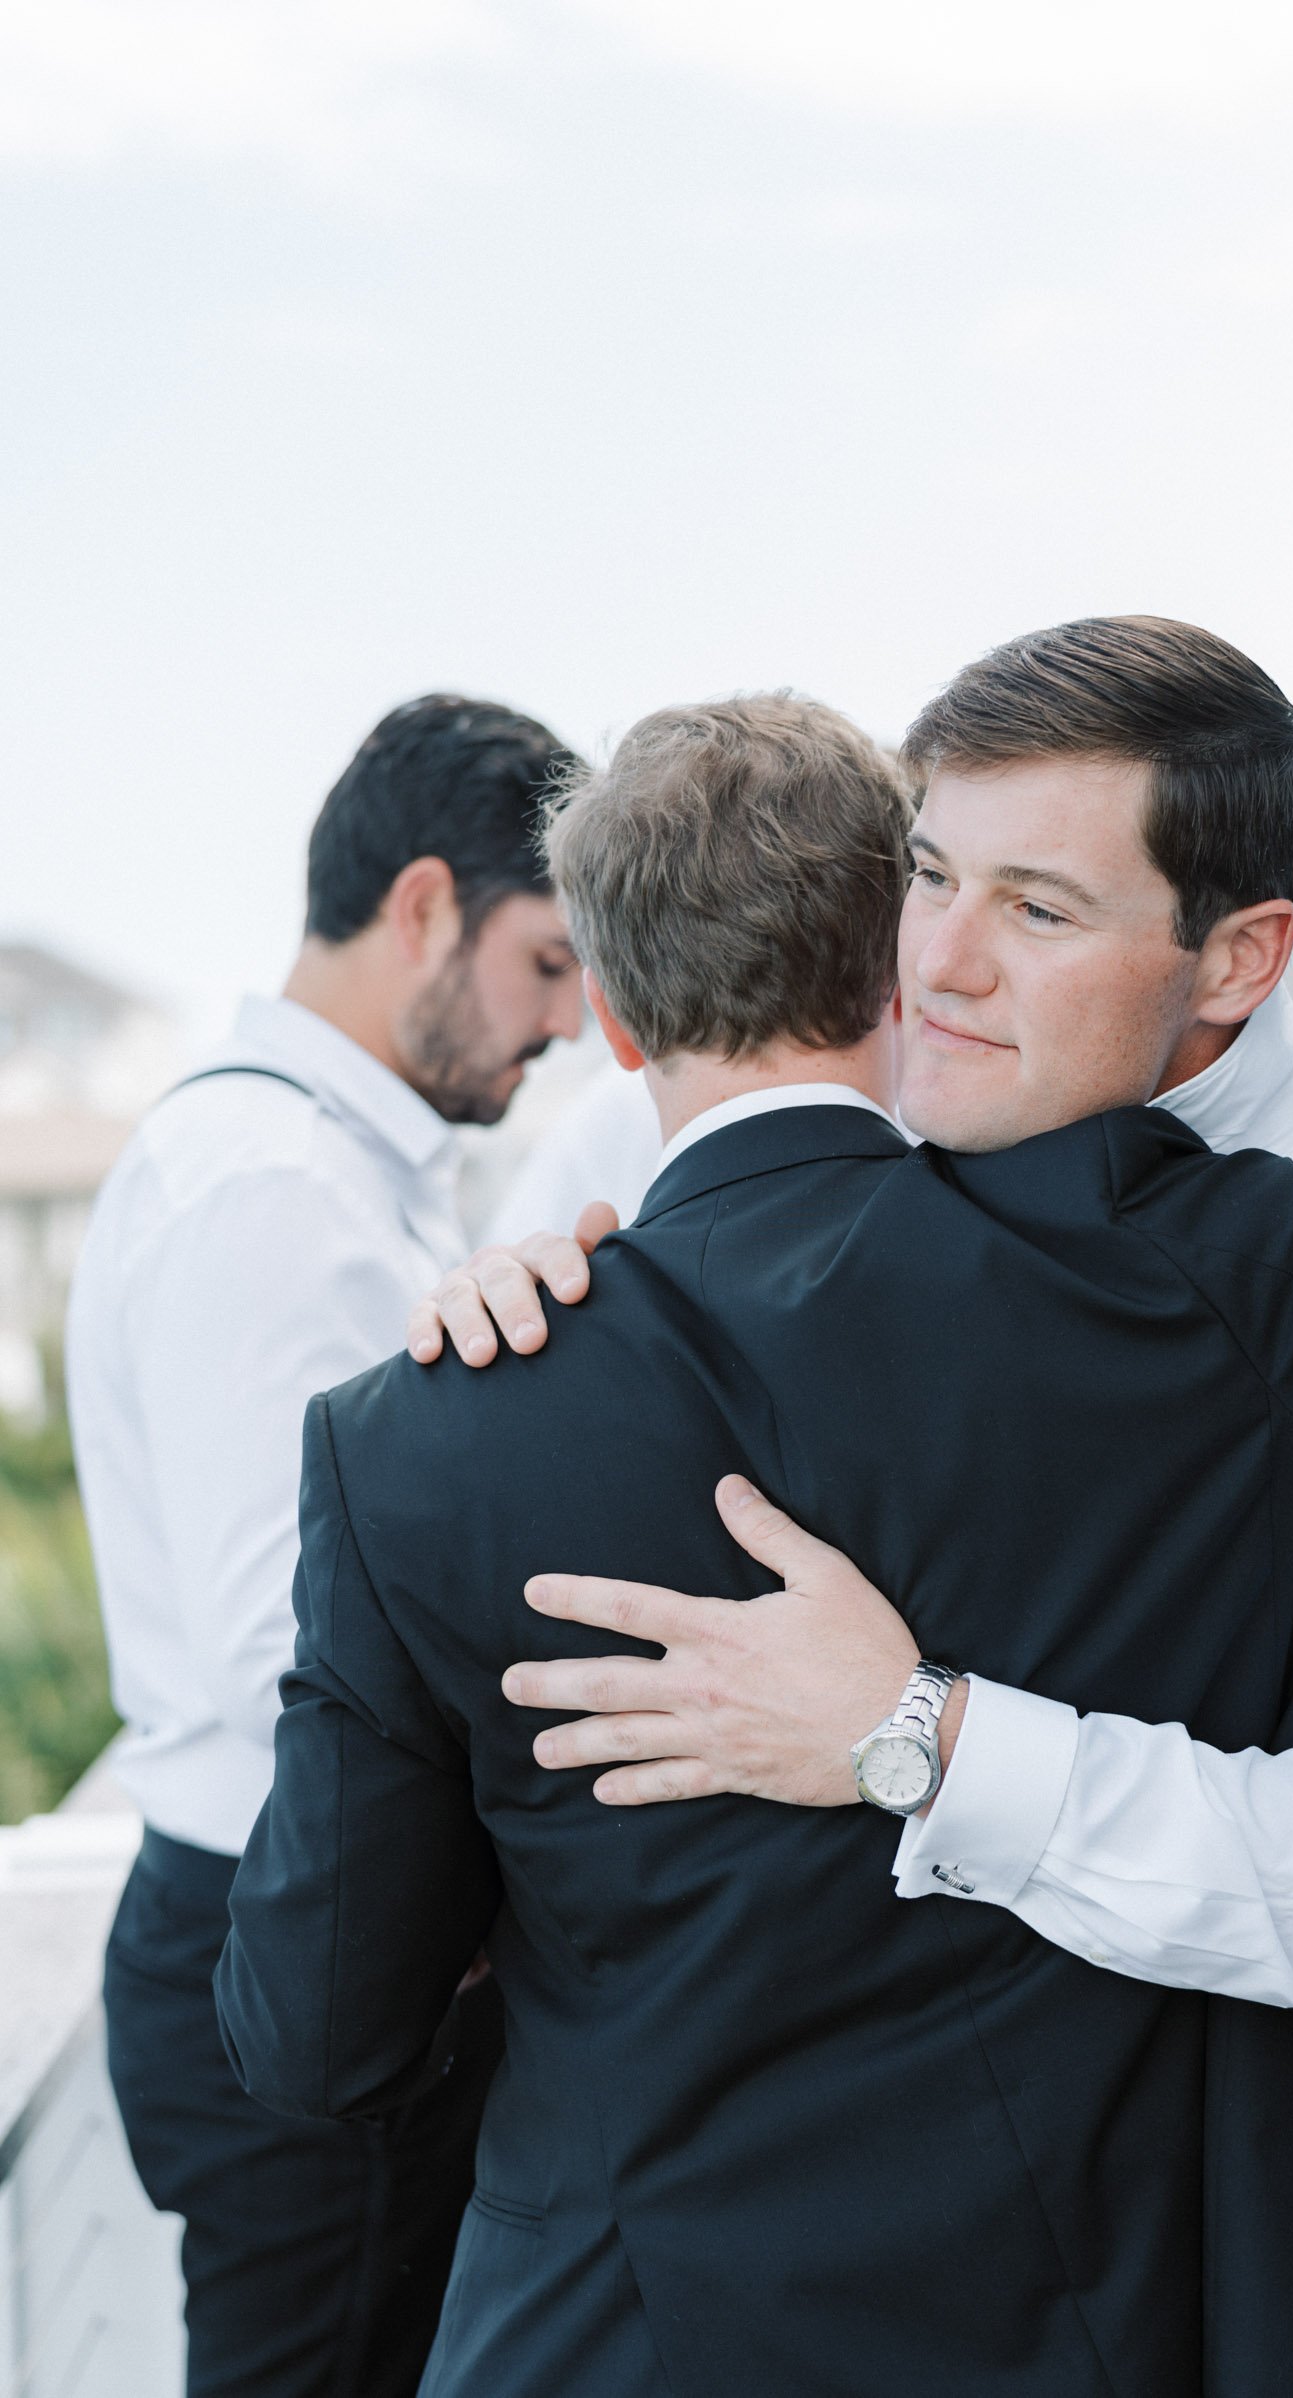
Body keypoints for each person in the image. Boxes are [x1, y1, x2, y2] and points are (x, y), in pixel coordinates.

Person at [218, 641, 1293, 2397]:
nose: (946, 958)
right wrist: (512, 1299)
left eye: (1037, 907)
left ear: (1242, 958)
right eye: (927, 879)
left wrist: (911, 1735)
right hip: (1032, 2278)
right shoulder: (1109, 1240)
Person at [66, 694, 586, 2398]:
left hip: (292, 1917)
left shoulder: (312, 1160)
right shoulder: (271, 1187)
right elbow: (280, 1635)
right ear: (426, 904)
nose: (569, 1025)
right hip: (296, 1929)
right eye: (545, 963)